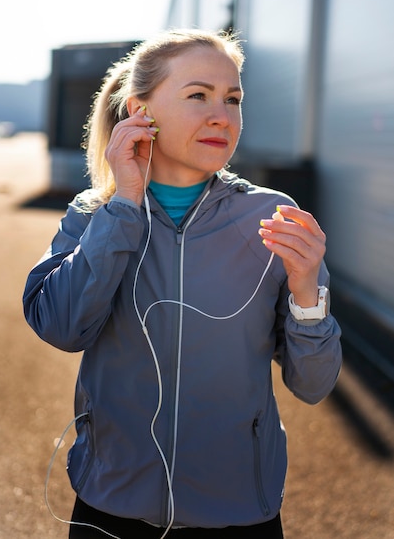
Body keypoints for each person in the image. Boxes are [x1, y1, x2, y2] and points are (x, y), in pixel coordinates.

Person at [23, 28, 342, 539]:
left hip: (239, 512)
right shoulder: (94, 214)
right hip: (112, 506)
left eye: (233, 98)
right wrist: (124, 204)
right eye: (198, 95)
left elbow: (314, 384)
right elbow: (60, 327)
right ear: (139, 112)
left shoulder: (273, 218)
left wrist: (308, 294)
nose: (223, 115)